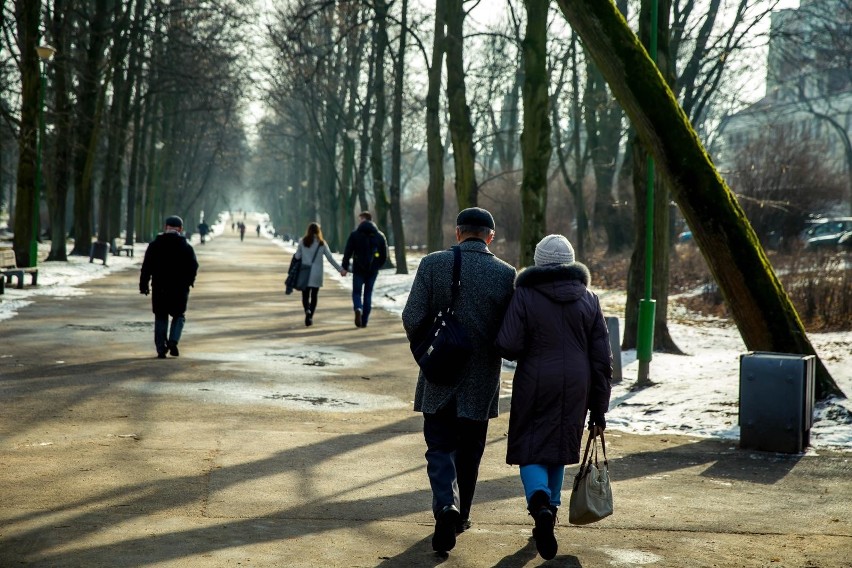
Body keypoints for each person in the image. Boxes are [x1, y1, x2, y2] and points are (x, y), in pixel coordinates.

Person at [401, 207, 516, 556]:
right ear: (490, 237)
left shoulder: (432, 264)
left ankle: (444, 505)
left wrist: (429, 349)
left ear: (458, 232)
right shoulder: (505, 274)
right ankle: (462, 514)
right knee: (470, 451)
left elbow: (411, 316)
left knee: (438, 447)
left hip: (439, 373)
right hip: (481, 378)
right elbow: (510, 334)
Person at [495, 234, 612, 560]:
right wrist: (599, 410)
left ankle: (540, 504)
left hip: (535, 378)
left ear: (539, 262)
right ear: (571, 261)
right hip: (577, 383)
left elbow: (508, 343)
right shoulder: (589, 298)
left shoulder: (526, 294)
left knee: (530, 445)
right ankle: (552, 512)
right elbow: (602, 359)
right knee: (560, 447)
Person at [139, 215, 199, 359]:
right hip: (179, 288)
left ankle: (161, 348)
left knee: (161, 316)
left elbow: (146, 267)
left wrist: (144, 285)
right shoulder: (186, 247)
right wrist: (189, 281)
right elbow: (193, 267)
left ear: (165, 227)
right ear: (181, 229)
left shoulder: (154, 246)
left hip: (160, 287)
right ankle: (173, 340)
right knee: (179, 315)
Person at [294, 222, 347, 326]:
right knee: (314, 295)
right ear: (319, 231)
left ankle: (307, 311)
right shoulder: (322, 243)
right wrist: (340, 270)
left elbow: (297, 256)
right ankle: (311, 315)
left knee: (305, 295)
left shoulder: (302, 241)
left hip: (305, 273)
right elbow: (330, 259)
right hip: (316, 274)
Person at [341, 211, 388, 328]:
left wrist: (345, 267)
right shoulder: (379, 236)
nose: (359, 221)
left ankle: (358, 308)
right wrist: (377, 266)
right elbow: (384, 255)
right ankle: (364, 320)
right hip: (372, 270)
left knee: (357, 292)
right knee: (368, 294)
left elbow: (348, 252)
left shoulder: (355, 235)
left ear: (364, 219)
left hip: (358, 269)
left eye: (360, 219)